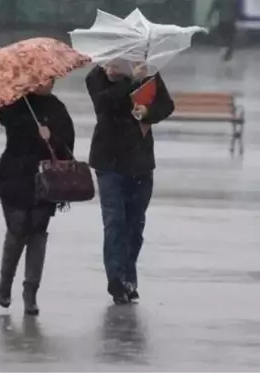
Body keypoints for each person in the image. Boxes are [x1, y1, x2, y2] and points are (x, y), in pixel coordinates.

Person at [85, 61, 174, 304]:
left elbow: (166, 106)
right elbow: (104, 104)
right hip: (108, 160)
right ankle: (115, 279)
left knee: (135, 224)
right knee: (114, 220)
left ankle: (128, 277)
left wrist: (148, 113)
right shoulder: (97, 76)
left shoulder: (148, 72)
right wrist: (130, 82)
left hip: (140, 160)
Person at [0, 81, 75, 316]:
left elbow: (68, 143)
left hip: (45, 180)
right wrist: (33, 129)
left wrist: (51, 137)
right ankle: (5, 284)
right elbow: (8, 122)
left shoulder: (56, 107)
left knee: (37, 233)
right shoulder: (15, 104)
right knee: (17, 230)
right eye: (43, 80)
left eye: (51, 80)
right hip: (14, 176)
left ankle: (31, 293)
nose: (48, 84)